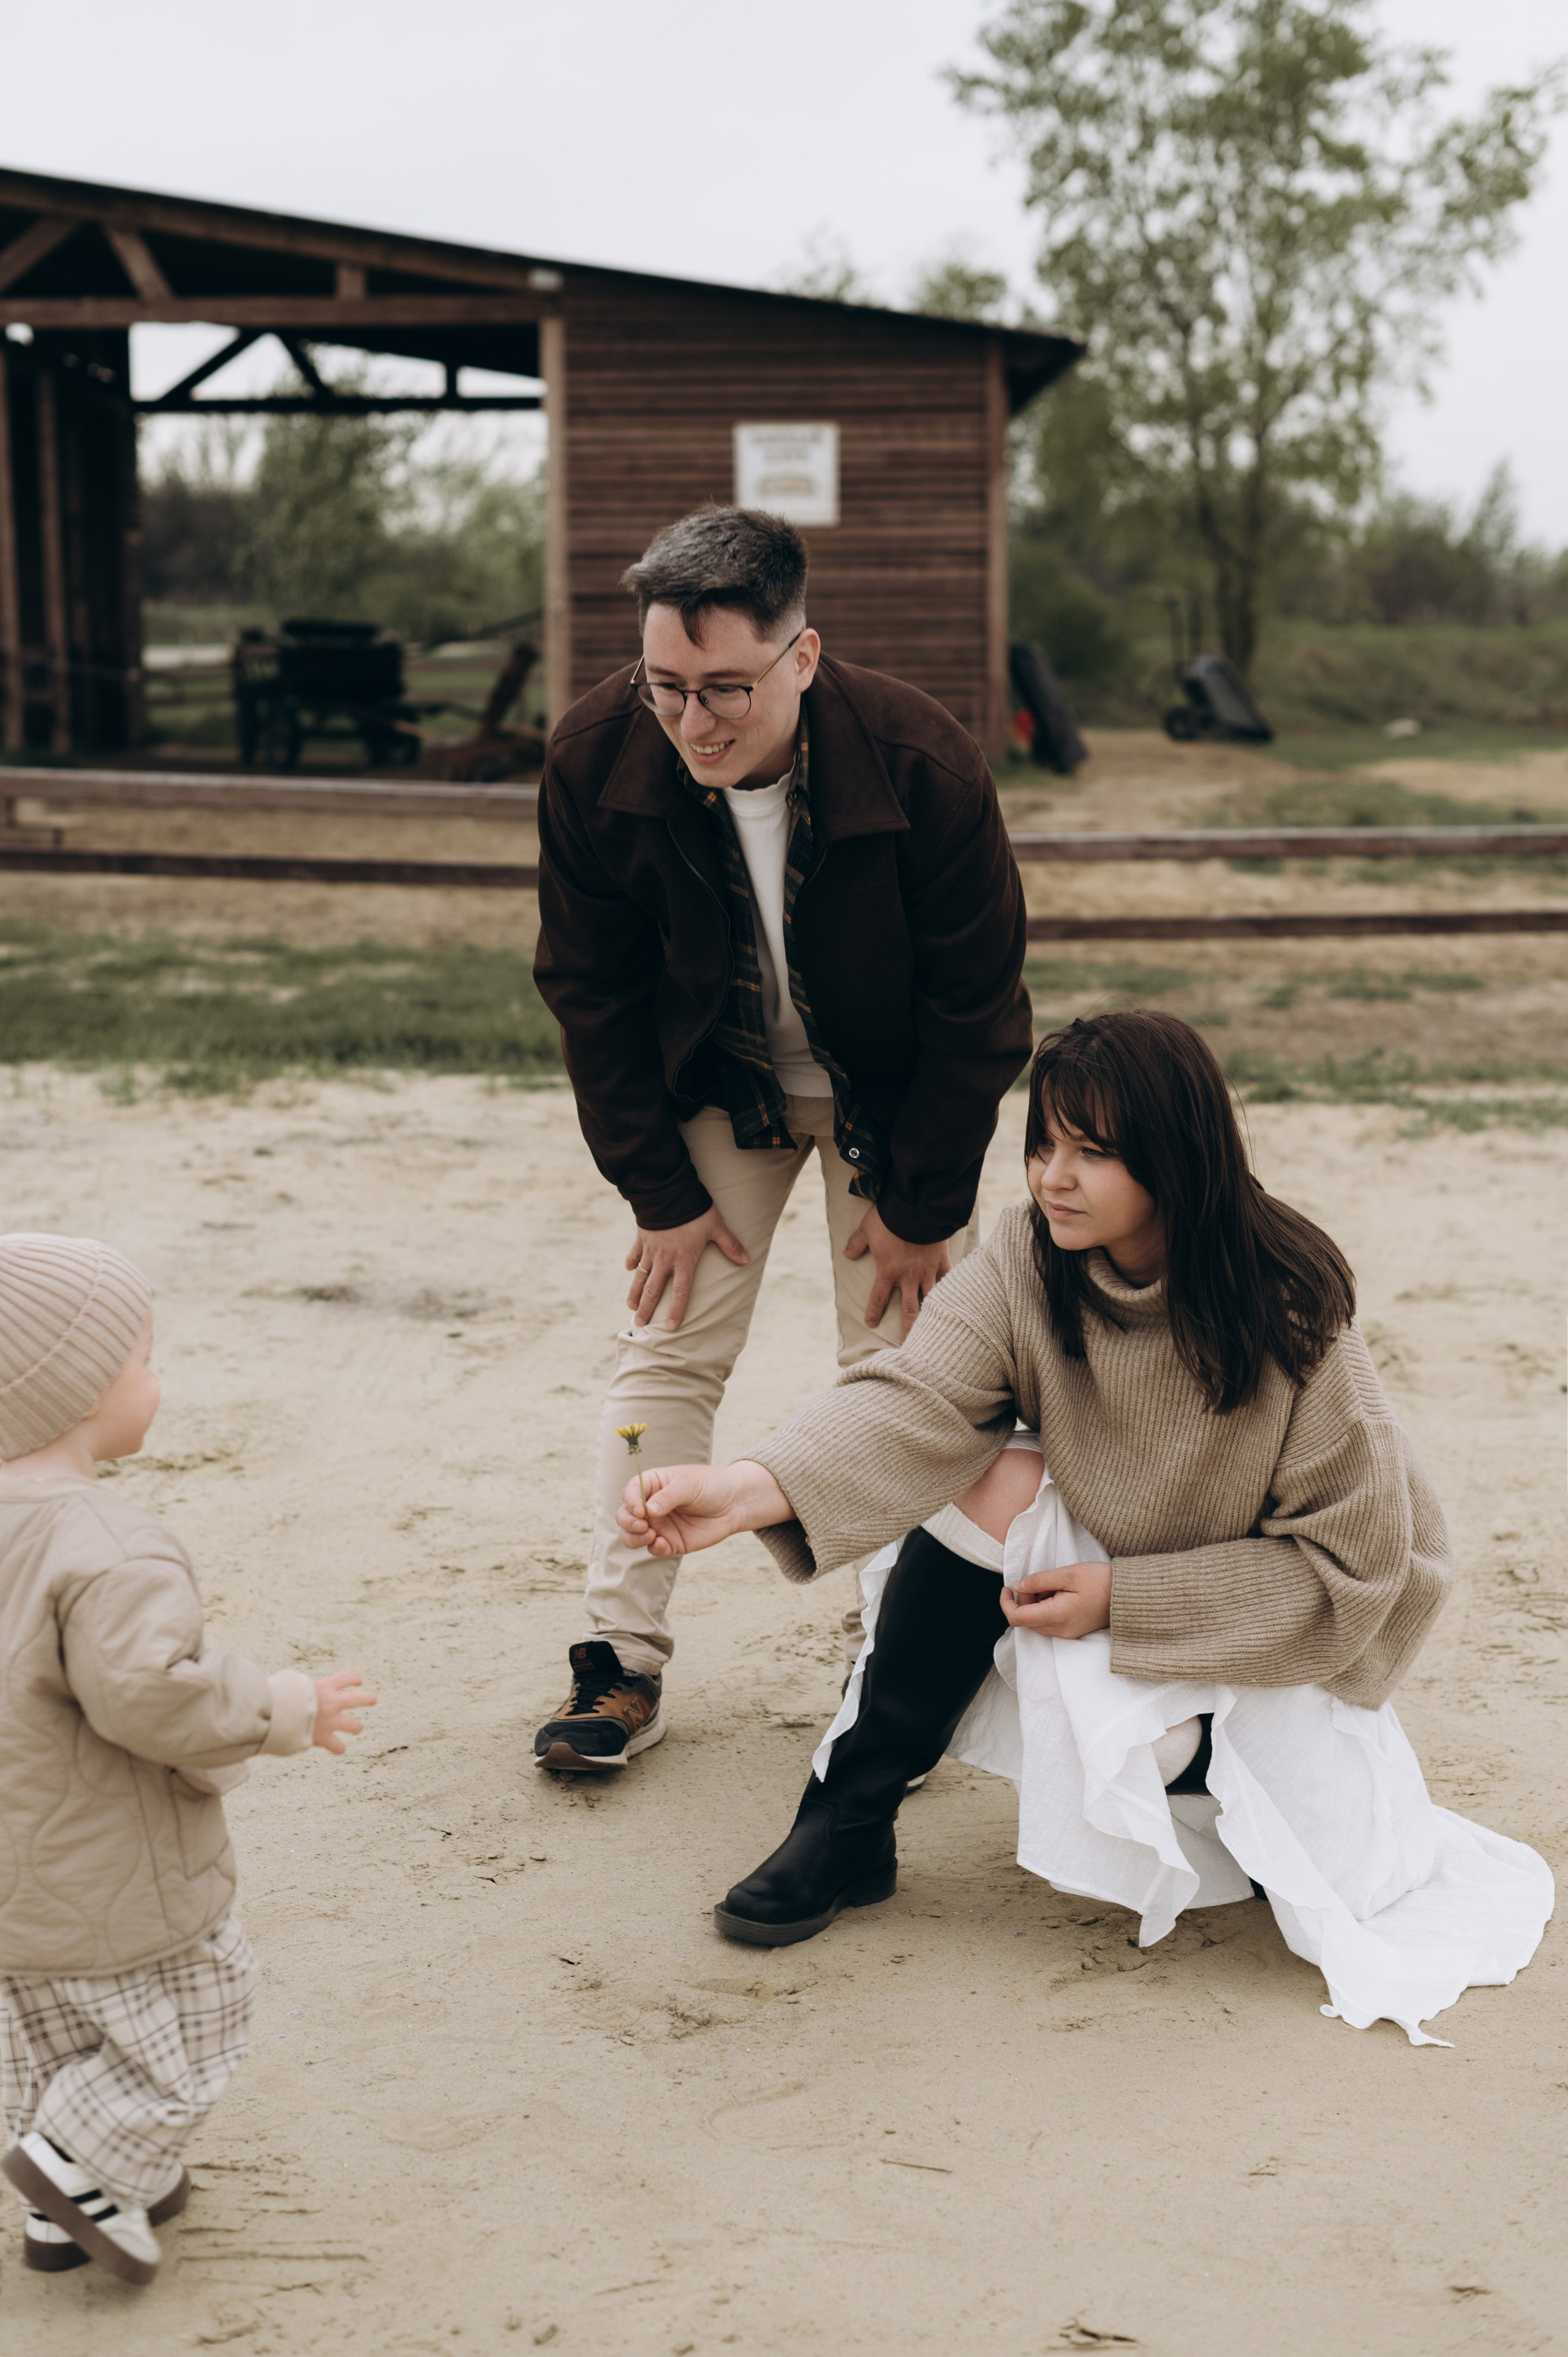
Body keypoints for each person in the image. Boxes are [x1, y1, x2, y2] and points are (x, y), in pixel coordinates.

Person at [618, 1013, 1555, 2044]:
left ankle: (1234, 1823)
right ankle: (848, 1818)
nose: (1054, 1177)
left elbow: (1356, 1571)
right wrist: (752, 1486)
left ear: (1175, 1157)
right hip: (1122, 1560)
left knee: (1152, 1767)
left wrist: (1127, 1600)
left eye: (1094, 1153)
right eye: (1044, 1143)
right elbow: (919, 1401)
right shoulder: (1027, 1251)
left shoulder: (1291, 1306)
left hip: (1269, 1639)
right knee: (991, 1470)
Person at [531, 504, 1031, 1769]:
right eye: (665, 688)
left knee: (908, 1369)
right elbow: (584, 987)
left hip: (891, 1095)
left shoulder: (922, 759)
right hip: (717, 1085)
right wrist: (655, 1189)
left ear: (802, 659)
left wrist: (920, 1204)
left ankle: (895, 1672)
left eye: (725, 690)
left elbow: (978, 1008)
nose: (692, 722)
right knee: (665, 1347)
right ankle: (615, 1664)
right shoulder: (594, 760)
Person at [0, 1234, 375, 2284]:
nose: (157, 1382)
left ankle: (78, 2198)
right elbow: (150, 1695)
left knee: (48, 2040)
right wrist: (278, 1708)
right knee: (196, 2018)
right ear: (79, 1393)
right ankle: (84, 2158)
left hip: (11, 1895)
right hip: (112, 1873)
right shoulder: (112, 1547)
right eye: (145, 1361)